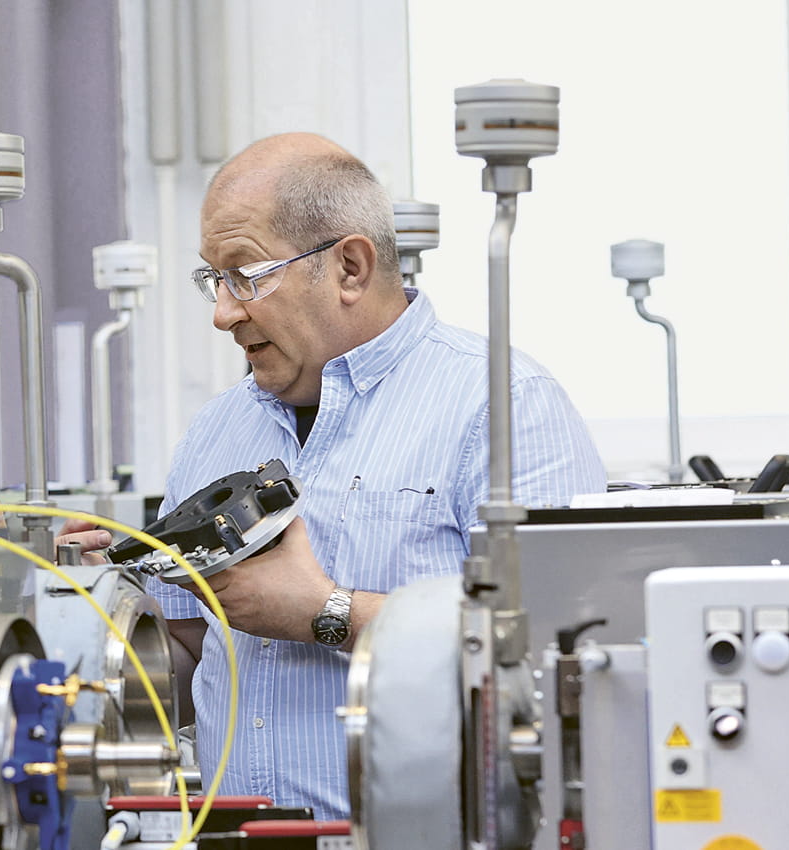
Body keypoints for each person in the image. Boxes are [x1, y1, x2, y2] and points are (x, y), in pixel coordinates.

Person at [145, 133, 604, 817]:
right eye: (214, 280)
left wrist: (328, 614)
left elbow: (564, 662)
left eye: (246, 275)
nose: (223, 313)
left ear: (350, 269)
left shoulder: (503, 407)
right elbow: (185, 645)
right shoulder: (216, 430)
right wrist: (112, 596)